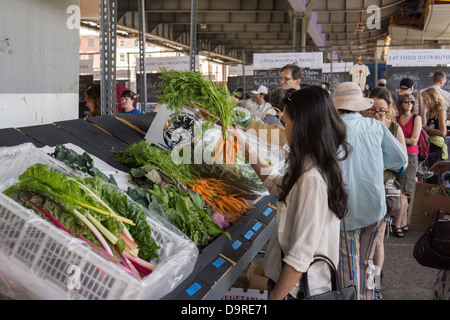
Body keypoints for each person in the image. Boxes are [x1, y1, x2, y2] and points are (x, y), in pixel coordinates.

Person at [230, 85, 351, 300]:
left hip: (297, 290)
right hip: (293, 285)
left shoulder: (312, 178)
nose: (284, 129)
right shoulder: (310, 164)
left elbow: (299, 257)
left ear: (302, 125)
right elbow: (276, 184)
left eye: (286, 122)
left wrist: (275, 297)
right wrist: (244, 144)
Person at [333, 82, 408, 300]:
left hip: (345, 211)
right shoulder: (376, 127)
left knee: (347, 268)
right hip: (375, 208)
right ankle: (368, 295)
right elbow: (401, 161)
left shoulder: (330, 130)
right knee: (366, 261)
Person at [367, 87, 408, 301]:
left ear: (389, 109)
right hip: (362, 188)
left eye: (381, 110)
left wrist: (386, 166)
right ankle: (358, 280)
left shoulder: (393, 128)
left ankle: (375, 284)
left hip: (382, 189)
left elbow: (404, 162)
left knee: (378, 240)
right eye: (372, 110)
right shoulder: (361, 125)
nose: (376, 114)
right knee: (360, 238)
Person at [396, 93, 422, 199]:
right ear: (401, 103)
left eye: (411, 102)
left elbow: (414, 140)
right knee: (397, 187)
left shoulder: (416, 118)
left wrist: (399, 139)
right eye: (406, 101)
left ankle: (406, 213)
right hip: (398, 154)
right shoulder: (396, 118)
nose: (409, 104)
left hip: (411, 155)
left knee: (406, 188)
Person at [422, 87, 448, 184]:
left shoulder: (441, 112)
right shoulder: (428, 113)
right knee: (428, 173)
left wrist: (426, 128)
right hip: (429, 144)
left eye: (425, 99)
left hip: (437, 146)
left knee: (435, 173)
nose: (424, 102)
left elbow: (443, 133)